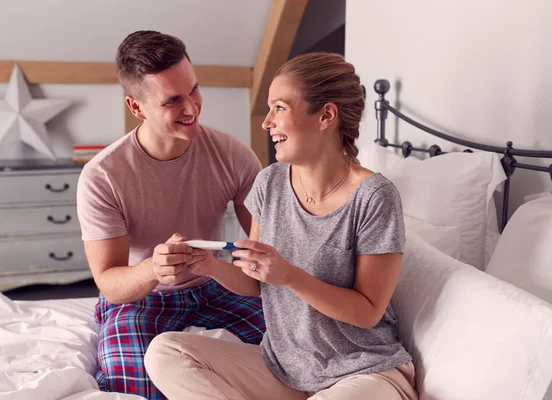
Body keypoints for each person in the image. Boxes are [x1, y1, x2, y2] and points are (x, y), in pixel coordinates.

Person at [145, 52, 418, 400]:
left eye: (279, 108)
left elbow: (367, 312)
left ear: (326, 116)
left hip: (363, 372)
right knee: (165, 352)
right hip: (282, 370)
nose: (266, 122)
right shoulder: (269, 183)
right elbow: (256, 282)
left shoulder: (374, 197)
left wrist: (289, 275)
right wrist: (208, 266)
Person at [76, 30, 265, 399]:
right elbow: (109, 282)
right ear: (137, 107)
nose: (192, 107)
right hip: (139, 299)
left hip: (216, 287)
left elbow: (264, 246)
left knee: (290, 355)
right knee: (138, 386)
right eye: (173, 100)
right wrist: (152, 269)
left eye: (194, 90)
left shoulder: (234, 156)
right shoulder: (103, 176)